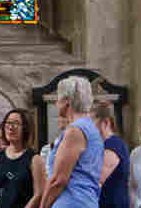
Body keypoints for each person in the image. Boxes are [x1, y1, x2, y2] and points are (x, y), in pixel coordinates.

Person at [39, 76, 101, 208]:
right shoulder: (91, 128)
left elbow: (58, 180)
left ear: (66, 102)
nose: (56, 104)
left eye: (57, 99)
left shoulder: (75, 131)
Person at [0, 109, 44, 208]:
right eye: (8, 123)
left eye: (16, 123)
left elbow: (39, 195)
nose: (10, 127)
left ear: (26, 128)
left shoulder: (35, 159)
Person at [91, 101, 130, 208]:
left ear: (106, 123)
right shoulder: (100, 145)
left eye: (91, 122)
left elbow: (96, 177)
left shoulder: (114, 144)